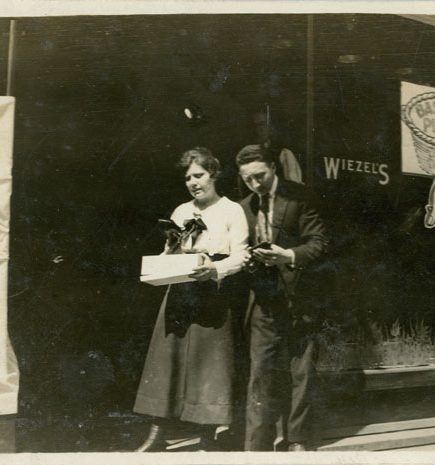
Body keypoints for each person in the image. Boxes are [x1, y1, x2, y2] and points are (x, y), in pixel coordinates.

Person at [133, 147, 249, 451]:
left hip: (212, 294)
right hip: (180, 293)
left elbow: (242, 255)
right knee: (165, 361)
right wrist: (165, 258)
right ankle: (157, 435)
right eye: (188, 177)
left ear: (214, 174)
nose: (193, 182)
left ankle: (207, 438)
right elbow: (168, 251)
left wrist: (215, 269)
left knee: (210, 366)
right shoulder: (181, 212)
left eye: (198, 175)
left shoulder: (231, 210)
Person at [236, 144, 328, 451]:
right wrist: (247, 261)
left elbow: (319, 244)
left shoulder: (301, 196)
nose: (255, 184)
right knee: (260, 374)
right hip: (264, 301)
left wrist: (287, 255)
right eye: (248, 179)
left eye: (260, 175)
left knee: (302, 371)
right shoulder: (244, 206)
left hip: (301, 297)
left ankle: (298, 441)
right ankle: (256, 447)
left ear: (273, 168)